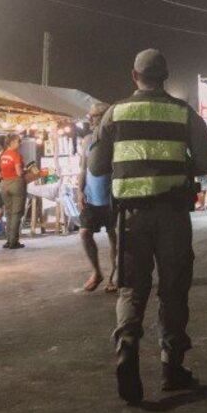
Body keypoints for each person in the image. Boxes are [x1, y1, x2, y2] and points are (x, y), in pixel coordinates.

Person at [89, 49, 207, 405]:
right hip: (173, 214)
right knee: (173, 290)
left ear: (134, 75)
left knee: (131, 289)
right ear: (165, 76)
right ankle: (171, 367)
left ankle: (128, 345)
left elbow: (97, 167)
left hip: (130, 218)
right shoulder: (182, 112)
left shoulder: (114, 113)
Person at [77, 103, 116, 292]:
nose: (89, 119)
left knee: (114, 236)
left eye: (93, 116)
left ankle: (114, 276)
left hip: (112, 196)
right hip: (91, 196)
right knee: (85, 233)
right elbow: (83, 168)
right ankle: (96, 272)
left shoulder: (114, 139)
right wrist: (79, 190)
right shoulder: (87, 140)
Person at [0, 133, 27, 249]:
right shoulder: (16, 155)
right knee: (16, 213)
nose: (20, 143)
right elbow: (19, 172)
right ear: (13, 142)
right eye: (18, 141)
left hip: (4, 184)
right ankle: (13, 242)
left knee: (9, 213)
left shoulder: (2, 155)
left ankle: (8, 240)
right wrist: (26, 171)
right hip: (16, 184)